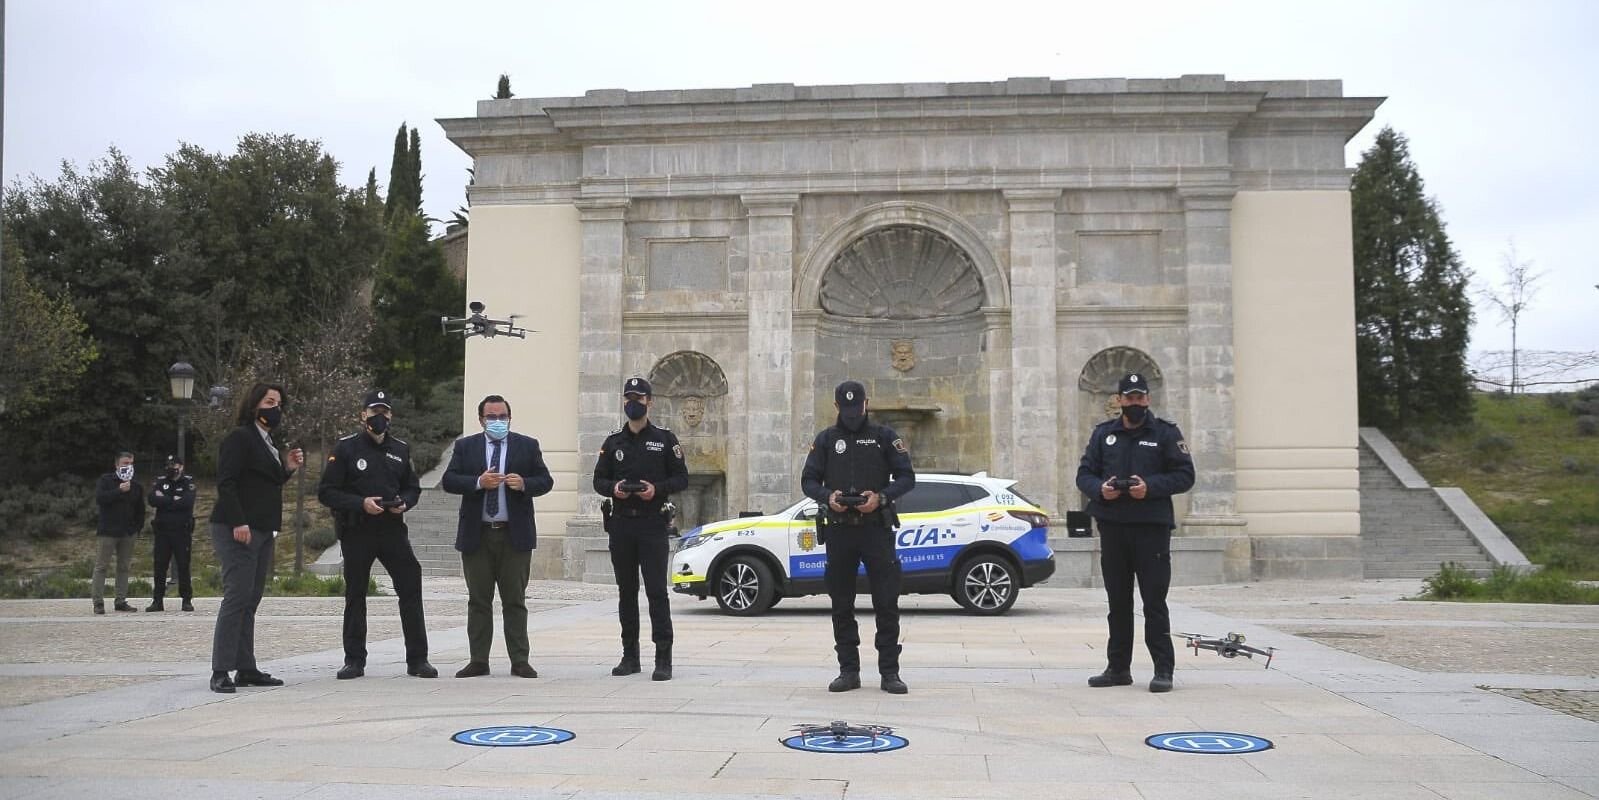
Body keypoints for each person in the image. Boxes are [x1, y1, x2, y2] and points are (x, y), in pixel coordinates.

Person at [1075, 372, 1195, 693]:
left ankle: (1163, 670)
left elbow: (1185, 475)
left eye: (1140, 397)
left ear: (1148, 399)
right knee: (1118, 602)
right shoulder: (1104, 435)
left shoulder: (1165, 433)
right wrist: (1101, 489)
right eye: (1129, 398)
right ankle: (1118, 668)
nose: (1135, 403)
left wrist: (1150, 487)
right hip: (1113, 529)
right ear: (1119, 400)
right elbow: (1084, 474)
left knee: (1154, 601)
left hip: (1151, 529)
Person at [800, 380, 916, 695]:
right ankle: (848, 671)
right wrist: (828, 496)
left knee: (886, 603)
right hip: (839, 529)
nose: (852, 414)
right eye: (846, 409)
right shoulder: (826, 440)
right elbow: (808, 480)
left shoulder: (884, 437)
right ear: (837, 407)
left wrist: (881, 497)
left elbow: (907, 477)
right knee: (841, 603)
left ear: (867, 403)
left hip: (875, 530)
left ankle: (890, 673)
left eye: (858, 407)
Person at [317, 390, 435, 680]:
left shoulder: (400, 449)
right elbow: (326, 492)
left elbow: (412, 487)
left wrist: (405, 502)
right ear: (363, 416)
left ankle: (418, 659)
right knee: (356, 594)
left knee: (410, 586)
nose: (379, 418)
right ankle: (354, 660)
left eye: (384, 412)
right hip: (357, 530)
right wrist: (360, 503)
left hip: (392, 530)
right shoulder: (346, 448)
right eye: (373, 412)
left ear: (390, 415)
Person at [441, 395, 554, 679]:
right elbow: (450, 480)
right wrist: (478, 482)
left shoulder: (527, 446)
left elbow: (546, 481)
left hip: (513, 535)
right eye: (492, 417)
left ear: (509, 418)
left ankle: (520, 660)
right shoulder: (466, 447)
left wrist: (524, 484)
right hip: (477, 536)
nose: (497, 422)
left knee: (514, 600)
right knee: (479, 600)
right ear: (481, 420)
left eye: (502, 416)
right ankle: (478, 659)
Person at [210, 383, 304, 693]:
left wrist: (287, 467)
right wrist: (239, 521)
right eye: (269, 401)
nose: (275, 408)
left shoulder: (268, 441)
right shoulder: (240, 438)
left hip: (263, 529)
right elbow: (227, 482)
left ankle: (246, 667)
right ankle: (220, 670)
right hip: (238, 527)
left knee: (251, 599)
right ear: (254, 405)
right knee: (237, 596)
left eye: (279, 403)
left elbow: (267, 481)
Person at [592, 376, 687, 681]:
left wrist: (655, 489)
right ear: (623, 401)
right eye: (628, 397)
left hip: (651, 524)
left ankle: (663, 657)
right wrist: (615, 488)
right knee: (626, 592)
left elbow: (681, 479)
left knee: (657, 592)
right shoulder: (612, 442)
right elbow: (598, 480)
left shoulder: (665, 439)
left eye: (639, 397)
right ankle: (629, 656)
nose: (633, 403)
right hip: (621, 524)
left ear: (650, 402)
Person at [92, 451, 146, 614]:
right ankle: (98, 602)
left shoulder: (136, 485)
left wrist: (137, 529)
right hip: (108, 531)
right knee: (101, 566)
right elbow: (100, 499)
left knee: (123, 567)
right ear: (117, 465)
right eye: (125, 463)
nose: (128, 467)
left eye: (131, 463)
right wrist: (119, 490)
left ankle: (120, 600)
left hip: (128, 533)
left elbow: (140, 510)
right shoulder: (106, 480)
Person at [146, 454, 196, 612]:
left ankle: (186, 600)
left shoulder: (188, 482)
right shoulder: (161, 481)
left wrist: (166, 500)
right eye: (169, 465)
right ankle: (157, 600)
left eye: (174, 465)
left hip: (182, 531)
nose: (171, 468)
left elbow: (187, 502)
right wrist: (173, 499)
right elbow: (152, 499)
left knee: (183, 566)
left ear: (181, 467)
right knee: (159, 566)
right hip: (163, 532)